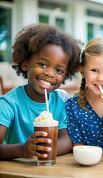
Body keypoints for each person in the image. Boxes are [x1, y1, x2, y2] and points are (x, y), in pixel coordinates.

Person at [0, 24, 81, 160]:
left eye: (59, 70)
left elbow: (67, 140)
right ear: (25, 64)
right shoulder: (8, 104)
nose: (49, 73)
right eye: (42, 64)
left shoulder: (62, 99)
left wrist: (45, 151)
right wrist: (22, 150)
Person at [65, 38, 103, 154]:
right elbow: (78, 148)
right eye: (94, 70)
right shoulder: (72, 107)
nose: (101, 78)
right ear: (82, 70)